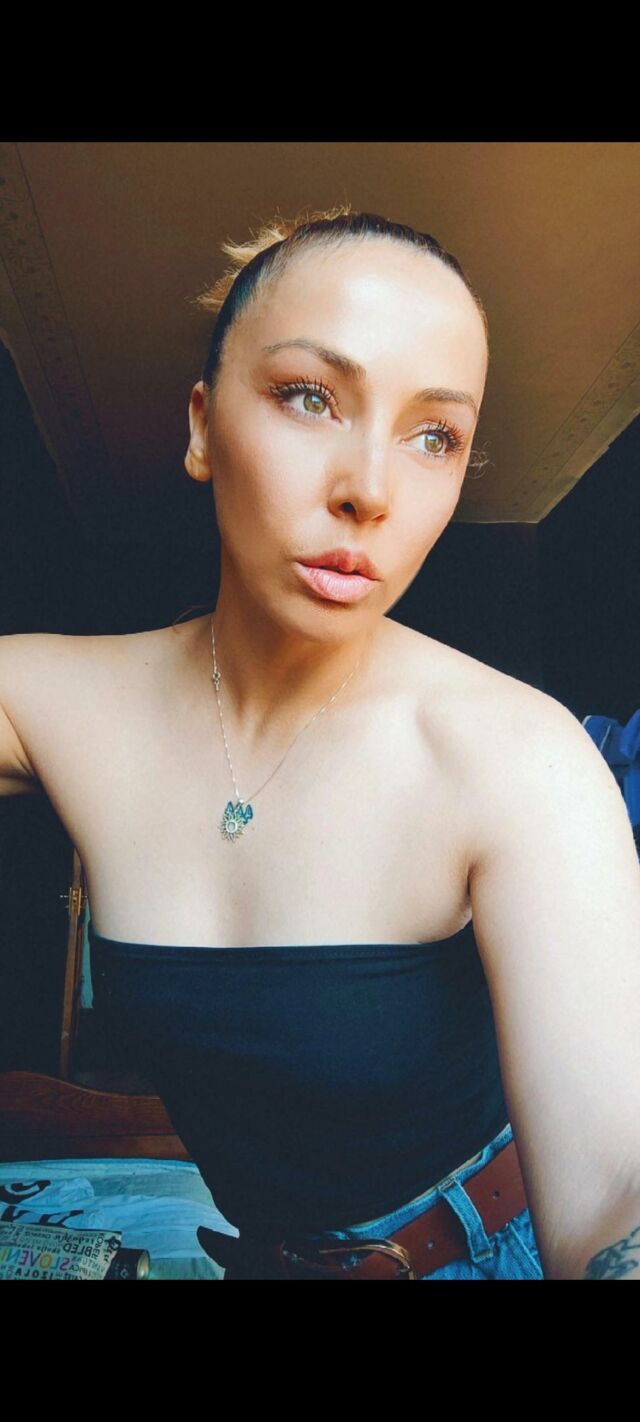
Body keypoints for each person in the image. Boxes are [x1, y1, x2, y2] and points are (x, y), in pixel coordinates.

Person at [2, 205, 640, 1280]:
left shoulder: (518, 757)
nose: (370, 490)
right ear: (202, 427)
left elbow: (615, 1178)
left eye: (434, 436)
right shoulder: (56, 700)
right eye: (310, 396)